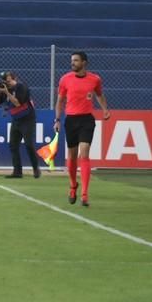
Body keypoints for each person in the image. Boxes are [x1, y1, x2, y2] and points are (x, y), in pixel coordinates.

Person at [53, 51, 111, 206]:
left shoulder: (95, 79)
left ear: (84, 63)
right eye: (72, 60)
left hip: (86, 120)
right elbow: (60, 101)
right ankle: (73, 185)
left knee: (84, 154)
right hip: (71, 120)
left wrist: (105, 109)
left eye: (76, 60)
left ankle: (85, 194)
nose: (72, 63)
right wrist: (57, 119)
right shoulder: (65, 79)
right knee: (71, 157)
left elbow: (99, 95)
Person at [0, 70, 41, 178]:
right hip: (16, 120)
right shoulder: (5, 89)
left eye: (8, 81)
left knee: (29, 144)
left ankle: (35, 168)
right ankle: (17, 171)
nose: (7, 83)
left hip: (27, 119)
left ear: (15, 79)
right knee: (13, 145)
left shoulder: (21, 87)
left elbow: (17, 103)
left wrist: (6, 92)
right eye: (5, 81)